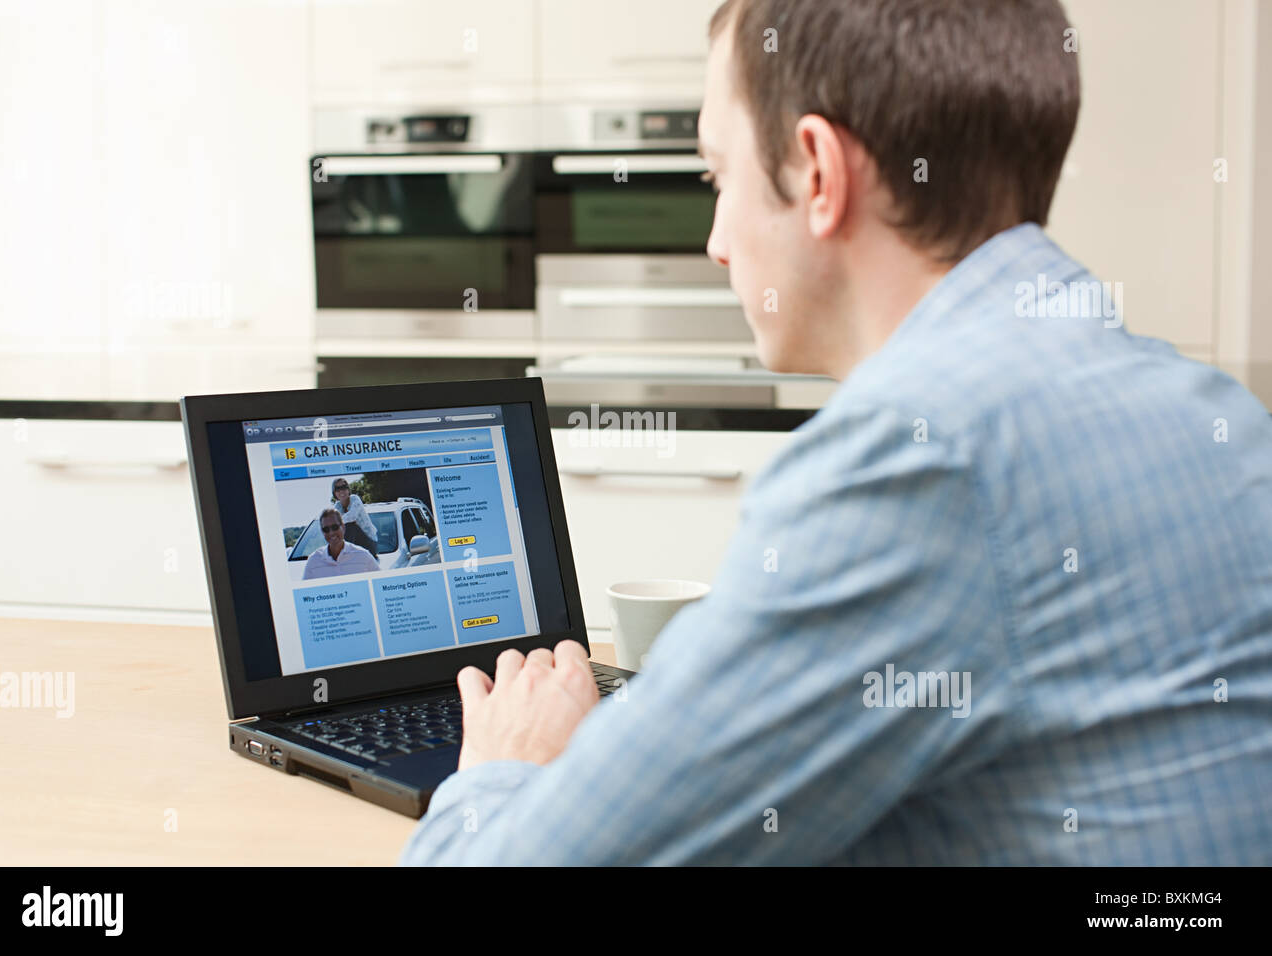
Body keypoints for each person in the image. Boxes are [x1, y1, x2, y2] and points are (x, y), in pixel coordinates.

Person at [400, 0, 1272, 865]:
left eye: (717, 177)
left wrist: (506, 762)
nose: (714, 242)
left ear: (818, 172)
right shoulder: (1215, 413)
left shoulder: (922, 459)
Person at [302, 509, 379, 580]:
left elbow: (380, 586)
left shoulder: (363, 556)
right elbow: (304, 593)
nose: (331, 532)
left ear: (343, 527)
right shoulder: (313, 561)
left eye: (335, 527)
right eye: (326, 529)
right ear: (322, 532)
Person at [331, 478, 378, 557]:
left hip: (370, 542)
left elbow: (352, 516)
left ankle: (345, 556)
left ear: (348, 489)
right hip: (355, 545)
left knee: (349, 526)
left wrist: (339, 521)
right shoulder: (337, 506)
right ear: (334, 493)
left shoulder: (355, 499)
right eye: (337, 489)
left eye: (344, 487)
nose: (341, 491)